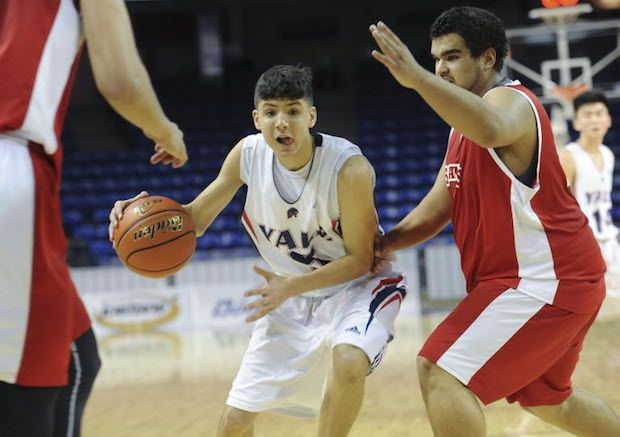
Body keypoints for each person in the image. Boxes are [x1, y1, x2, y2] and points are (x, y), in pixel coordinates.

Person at [109, 65, 406, 437]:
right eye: (271, 112)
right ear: (257, 118)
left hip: (357, 288)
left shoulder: (349, 168)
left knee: (348, 360)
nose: (282, 123)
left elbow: (361, 260)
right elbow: (193, 220)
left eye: (293, 111)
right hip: (292, 295)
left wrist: (289, 288)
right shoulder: (247, 155)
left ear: (311, 116)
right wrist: (143, 215)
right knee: (235, 422)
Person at [369, 6, 620, 437]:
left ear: (488, 58)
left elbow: (492, 129)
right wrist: (385, 242)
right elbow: (439, 204)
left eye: (451, 57)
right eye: (434, 60)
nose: (440, 68)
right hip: (553, 278)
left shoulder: (514, 102)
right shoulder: (460, 126)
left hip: (544, 278)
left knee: (438, 369)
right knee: (549, 399)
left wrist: (417, 80)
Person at [0, 1, 188, 436]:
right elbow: (122, 82)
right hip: (10, 159)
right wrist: (165, 131)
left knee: (78, 353)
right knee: (29, 392)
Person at [559, 90, 620, 297]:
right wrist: (584, 248)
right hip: (584, 246)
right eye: (588, 114)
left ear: (608, 119)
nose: (594, 119)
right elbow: (560, 208)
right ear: (576, 123)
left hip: (610, 241)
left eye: (599, 113)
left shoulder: (608, 154)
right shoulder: (568, 157)